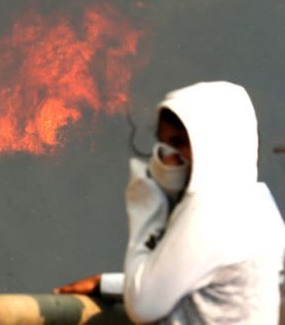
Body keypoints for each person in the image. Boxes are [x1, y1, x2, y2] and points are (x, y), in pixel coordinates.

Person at [55, 81, 285, 324]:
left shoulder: (212, 210)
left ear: (213, 142)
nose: (167, 156)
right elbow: (196, 278)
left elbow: (144, 305)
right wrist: (107, 284)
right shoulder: (256, 206)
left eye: (180, 142)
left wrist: (146, 210)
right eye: (165, 143)